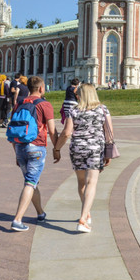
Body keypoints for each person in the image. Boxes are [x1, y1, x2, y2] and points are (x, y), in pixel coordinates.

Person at [54, 83, 111, 233]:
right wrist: (109, 152)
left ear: (80, 95)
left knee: (81, 182)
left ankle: (86, 213)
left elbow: (66, 133)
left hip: (77, 149)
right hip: (95, 149)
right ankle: (83, 219)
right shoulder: (103, 110)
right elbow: (109, 132)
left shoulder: (73, 110)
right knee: (91, 183)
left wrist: (57, 148)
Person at [10, 76, 56, 232]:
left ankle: (40, 213)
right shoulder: (45, 104)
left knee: (32, 181)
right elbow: (52, 130)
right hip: (36, 147)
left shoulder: (19, 103)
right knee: (30, 182)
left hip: (20, 147)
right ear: (42, 88)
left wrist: (16, 152)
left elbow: (14, 128)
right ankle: (17, 220)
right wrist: (56, 148)